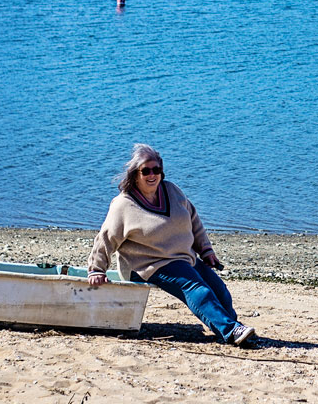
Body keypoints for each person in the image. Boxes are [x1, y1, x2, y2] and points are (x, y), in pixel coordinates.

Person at [88, 144, 257, 346]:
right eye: (146, 171)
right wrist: (96, 269)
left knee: (218, 288)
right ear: (135, 175)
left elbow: (194, 220)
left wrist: (206, 250)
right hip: (148, 264)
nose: (152, 175)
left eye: (156, 170)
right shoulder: (123, 204)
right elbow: (106, 238)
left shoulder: (172, 190)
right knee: (197, 289)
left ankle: (232, 327)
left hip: (183, 257)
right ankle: (230, 330)